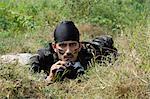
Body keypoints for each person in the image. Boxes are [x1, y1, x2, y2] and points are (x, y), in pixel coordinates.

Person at [30, 21, 118, 82]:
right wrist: (49, 78)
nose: (68, 51)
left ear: (79, 46)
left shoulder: (90, 52)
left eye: (72, 45)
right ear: (54, 47)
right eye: (62, 45)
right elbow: (31, 80)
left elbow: (108, 41)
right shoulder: (43, 57)